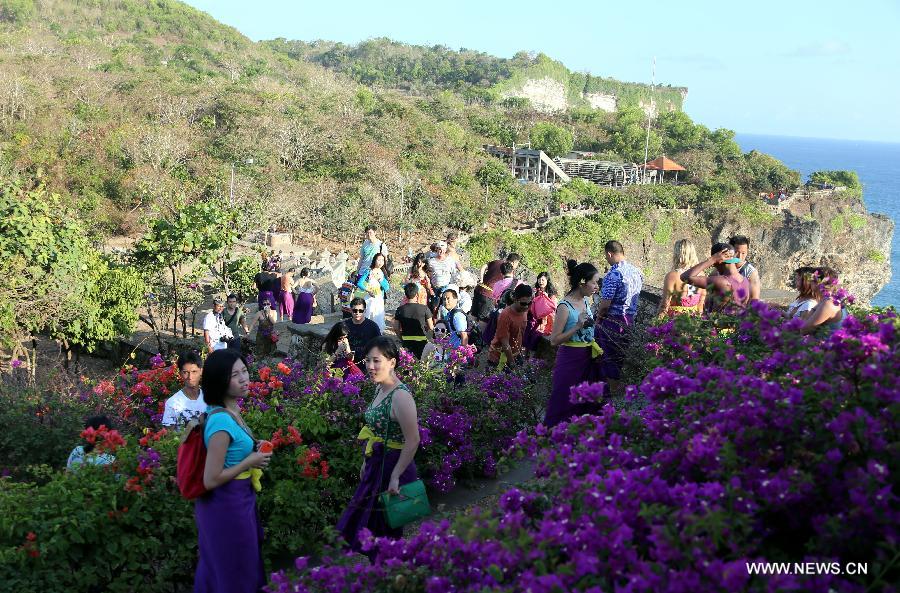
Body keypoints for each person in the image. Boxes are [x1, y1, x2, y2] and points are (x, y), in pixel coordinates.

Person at [194, 349, 271, 593]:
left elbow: (231, 453)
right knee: (234, 569)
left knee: (238, 565)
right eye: (234, 375)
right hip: (226, 507)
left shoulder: (232, 411)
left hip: (238, 501)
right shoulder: (221, 421)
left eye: (245, 371)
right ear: (219, 381)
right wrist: (251, 461)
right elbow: (211, 478)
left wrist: (253, 449)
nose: (244, 378)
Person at [337, 337, 420, 557]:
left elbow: (413, 440)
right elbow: (375, 430)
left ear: (392, 362)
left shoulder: (400, 396)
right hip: (377, 464)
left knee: (385, 531)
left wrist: (395, 476)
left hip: (393, 468)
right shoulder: (380, 388)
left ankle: (390, 575)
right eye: (367, 361)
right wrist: (366, 460)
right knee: (366, 526)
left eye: (376, 361)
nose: (370, 367)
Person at [544, 260, 602, 427]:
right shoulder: (564, 306)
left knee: (586, 401)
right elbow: (554, 340)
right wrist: (578, 326)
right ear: (582, 283)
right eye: (594, 282)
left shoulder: (585, 301)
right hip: (570, 359)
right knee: (563, 399)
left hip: (587, 358)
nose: (596, 286)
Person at [595, 241, 643, 393]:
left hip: (613, 321)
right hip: (630, 320)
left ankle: (612, 390)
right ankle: (617, 387)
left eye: (606, 256)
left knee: (609, 356)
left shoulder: (613, 274)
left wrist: (598, 320)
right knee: (621, 355)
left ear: (609, 253)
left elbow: (604, 305)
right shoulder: (638, 272)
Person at [681, 243, 751, 315]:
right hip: (737, 325)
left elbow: (685, 277)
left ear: (719, 261)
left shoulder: (720, 281)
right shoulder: (745, 281)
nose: (714, 266)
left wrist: (712, 259)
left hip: (718, 325)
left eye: (714, 264)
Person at [488, 284, 533, 371]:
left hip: (515, 354)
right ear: (515, 299)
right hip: (499, 357)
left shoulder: (524, 311)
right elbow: (505, 344)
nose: (527, 306)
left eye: (529, 303)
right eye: (523, 303)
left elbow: (521, 333)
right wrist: (512, 364)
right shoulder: (506, 315)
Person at [658, 239, 706, 317]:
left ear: (677, 254)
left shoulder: (672, 276)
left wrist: (656, 324)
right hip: (693, 321)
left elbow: (664, 306)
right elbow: (701, 305)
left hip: (675, 322)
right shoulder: (701, 275)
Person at [473, 253, 520, 326]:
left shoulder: (497, 262)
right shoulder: (510, 273)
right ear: (514, 262)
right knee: (483, 321)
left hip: (478, 290)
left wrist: (481, 279)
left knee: (473, 316)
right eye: (517, 264)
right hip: (489, 296)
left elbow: (484, 266)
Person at [162, 351, 206, 427]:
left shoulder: (211, 400)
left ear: (201, 371)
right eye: (185, 372)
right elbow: (169, 436)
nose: (190, 377)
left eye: (194, 371)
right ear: (180, 373)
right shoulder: (173, 403)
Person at [801, 267, 848, 335]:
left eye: (811, 281)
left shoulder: (828, 304)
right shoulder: (833, 300)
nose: (809, 284)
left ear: (817, 283)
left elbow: (804, 330)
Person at [394, 283, 434, 359]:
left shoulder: (400, 310)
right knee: (422, 365)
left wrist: (401, 338)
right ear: (417, 294)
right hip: (422, 342)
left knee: (408, 364)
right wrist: (427, 338)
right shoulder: (424, 308)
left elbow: (396, 328)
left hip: (407, 341)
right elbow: (431, 327)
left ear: (405, 295)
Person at [357, 252, 390, 331]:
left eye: (382, 260)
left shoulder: (383, 272)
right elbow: (359, 283)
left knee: (378, 318)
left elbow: (387, 287)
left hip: (379, 299)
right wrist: (368, 290)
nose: (380, 262)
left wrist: (380, 279)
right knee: (368, 316)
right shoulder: (368, 271)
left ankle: (378, 334)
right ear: (374, 260)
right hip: (369, 298)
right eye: (379, 260)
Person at [344, 297, 382, 365]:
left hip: (367, 363)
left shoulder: (373, 326)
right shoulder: (344, 325)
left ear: (365, 310)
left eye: (360, 311)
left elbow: (380, 345)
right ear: (350, 310)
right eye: (355, 310)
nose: (357, 313)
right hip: (348, 362)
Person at [428, 242, 462, 310]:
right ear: (437, 249)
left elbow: (454, 273)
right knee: (435, 307)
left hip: (446, 287)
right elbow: (429, 274)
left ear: (445, 250)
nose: (441, 251)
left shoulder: (450, 260)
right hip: (435, 287)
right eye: (439, 249)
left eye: (443, 249)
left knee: (446, 307)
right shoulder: (431, 261)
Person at [729, 236, 761, 302]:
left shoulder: (751, 272)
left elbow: (754, 299)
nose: (740, 257)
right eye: (736, 252)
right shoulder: (723, 266)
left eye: (743, 253)